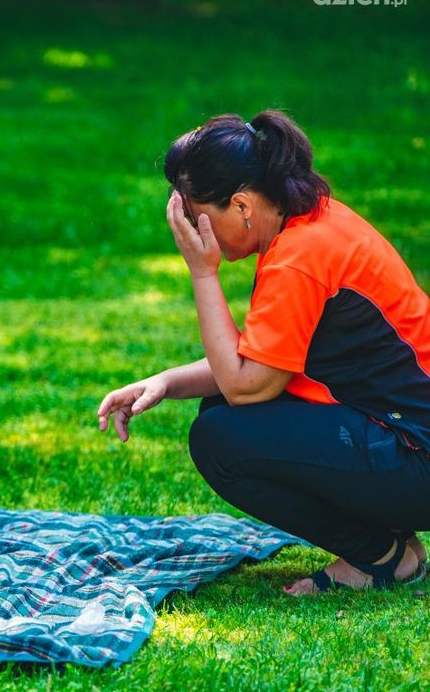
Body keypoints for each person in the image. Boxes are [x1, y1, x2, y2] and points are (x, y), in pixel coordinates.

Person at [97, 110, 430, 595]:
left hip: (418, 457)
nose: (192, 230)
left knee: (220, 439)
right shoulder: (312, 223)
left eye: (195, 216)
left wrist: (203, 272)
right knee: (224, 415)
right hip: (406, 439)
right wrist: (166, 383)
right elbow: (257, 364)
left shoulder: (299, 258)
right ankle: (392, 543)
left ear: (241, 206)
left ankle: (382, 557)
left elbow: (246, 385)